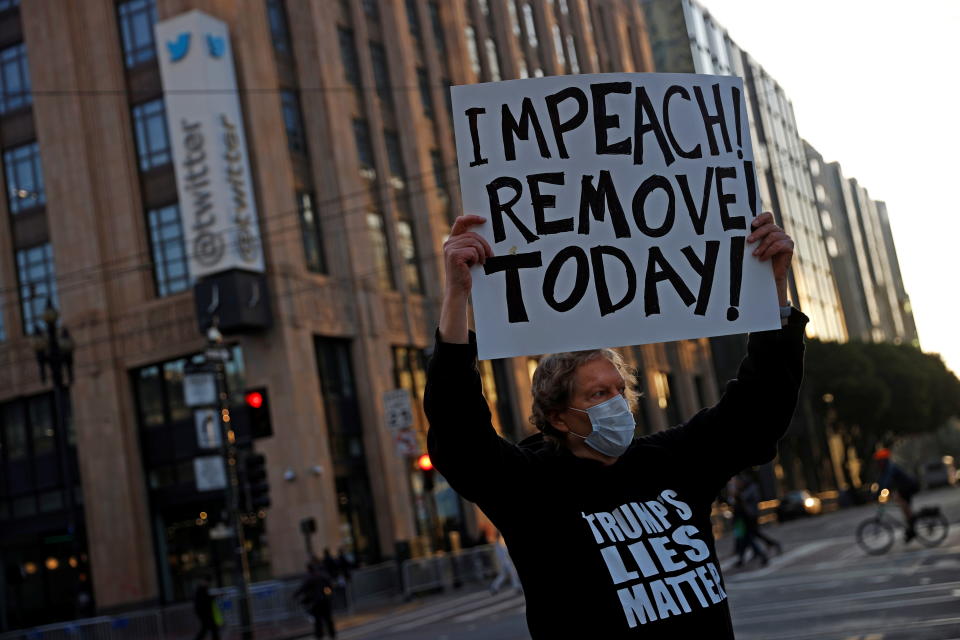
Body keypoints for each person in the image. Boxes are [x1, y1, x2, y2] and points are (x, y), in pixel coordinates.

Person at [424, 212, 803, 638]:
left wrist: (773, 293)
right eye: (597, 395)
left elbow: (758, 411)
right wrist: (457, 296)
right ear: (558, 417)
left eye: (618, 390)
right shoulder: (530, 489)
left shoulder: (671, 461)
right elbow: (460, 435)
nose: (616, 403)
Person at [874, 448, 920, 541]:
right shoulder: (884, 469)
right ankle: (911, 528)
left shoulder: (890, 467)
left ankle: (912, 521)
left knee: (901, 501)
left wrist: (882, 492)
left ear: (884, 460)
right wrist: (877, 492)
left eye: (879, 461)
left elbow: (886, 482)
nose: (878, 463)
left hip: (909, 486)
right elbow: (881, 481)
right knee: (900, 502)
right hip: (903, 488)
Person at [294, 563, 337, 639]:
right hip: (325, 601)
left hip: (316, 602)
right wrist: (329, 595)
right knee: (328, 619)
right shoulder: (323, 576)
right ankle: (332, 634)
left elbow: (302, 588)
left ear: (308, 569)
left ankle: (320, 635)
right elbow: (330, 586)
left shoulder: (309, 578)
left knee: (318, 620)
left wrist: (295, 595)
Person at [489, 530, 522, 595]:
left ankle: (494, 587)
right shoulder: (499, 545)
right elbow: (503, 555)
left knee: (503, 575)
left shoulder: (500, 544)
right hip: (506, 562)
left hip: (505, 562)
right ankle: (516, 587)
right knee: (513, 573)